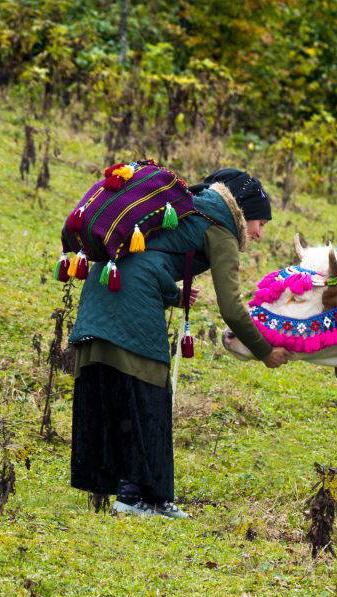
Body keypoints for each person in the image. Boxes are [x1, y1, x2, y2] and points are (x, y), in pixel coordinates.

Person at [68, 168, 288, 518]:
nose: (259, 233)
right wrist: (265, 351)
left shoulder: (187, 208)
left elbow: (147, 257)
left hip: (99, 294)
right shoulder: (222, 227)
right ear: (243, 211)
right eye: (260, 222)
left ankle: (137, 496)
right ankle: (139, 497)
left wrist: (173, 294)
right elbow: (232, 308)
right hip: (129, 302)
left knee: (118, 393)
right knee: (148, 395)